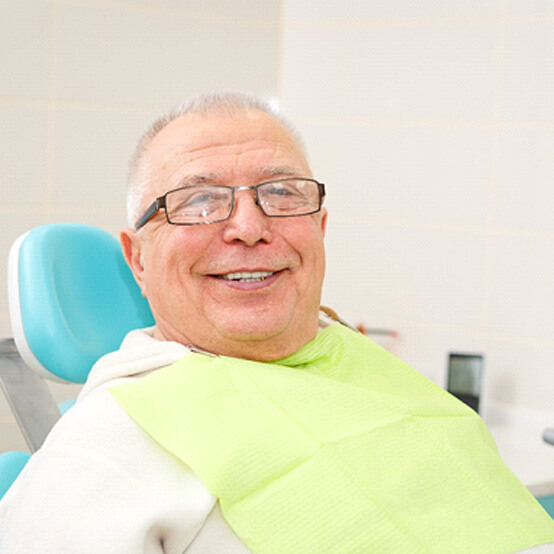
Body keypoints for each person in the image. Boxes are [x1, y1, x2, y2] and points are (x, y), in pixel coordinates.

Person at [0, 92, 553, 553]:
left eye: (281, 193)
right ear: (138, 259)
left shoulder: (361, 364)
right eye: (198, 200)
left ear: (320, 228)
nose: (248, 227)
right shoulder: (113, 440)